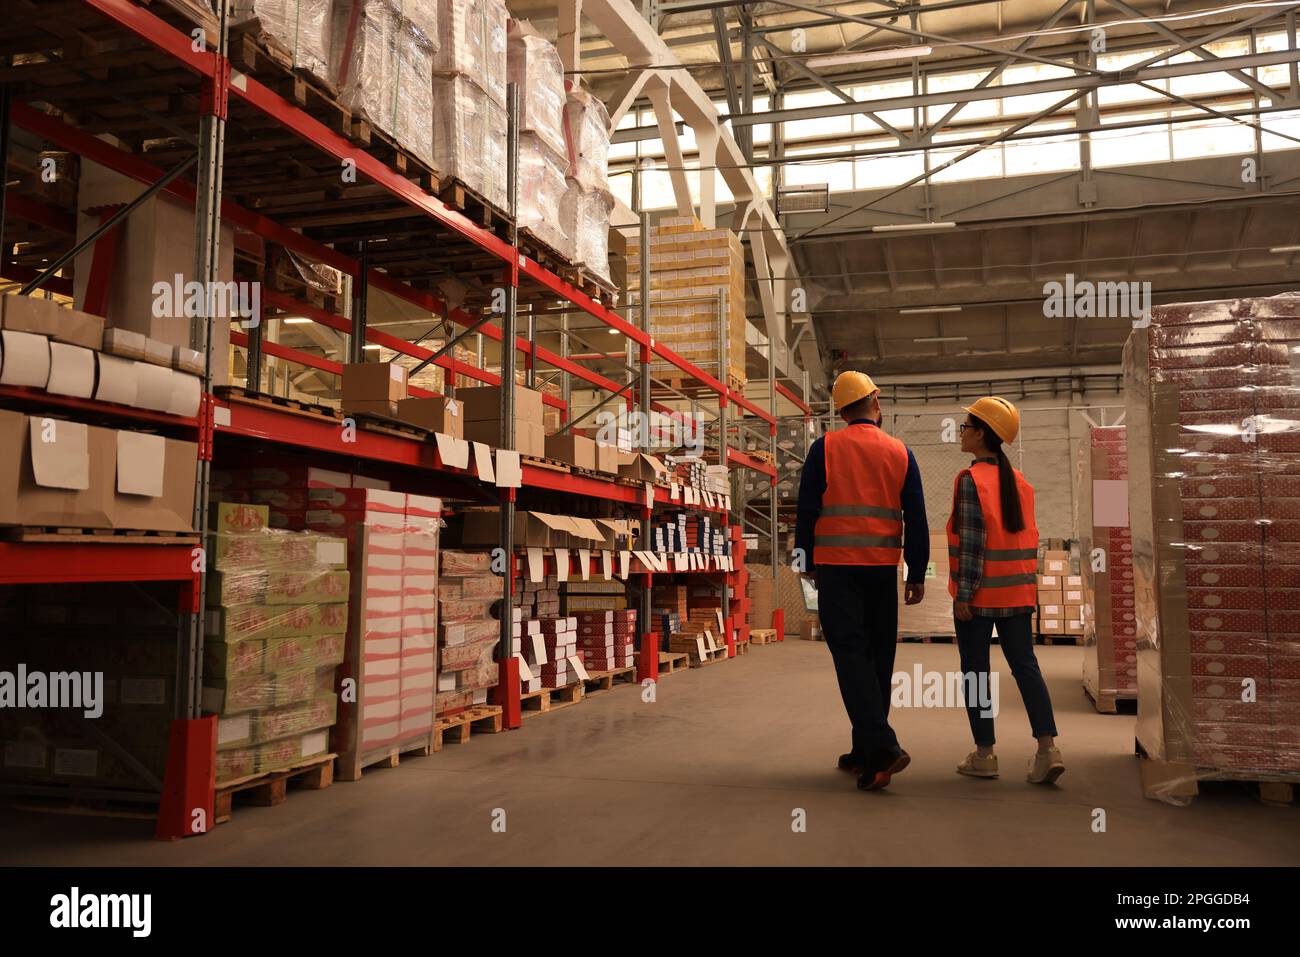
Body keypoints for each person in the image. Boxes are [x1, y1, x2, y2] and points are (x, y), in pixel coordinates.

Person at [796, 371, 929, 791]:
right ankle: (866, 753)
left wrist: (805, 558)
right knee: (877, 657)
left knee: (850, 654)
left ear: (841, 410)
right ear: (875, 402)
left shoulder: (825, 448)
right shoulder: (900, 452)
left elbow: (806, 510)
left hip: (836, 568)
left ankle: (882, 747)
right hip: (881, 569)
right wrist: (917, 570)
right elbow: (917, 517)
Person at [947, 396, 1065, 785]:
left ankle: (985, 755)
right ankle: (1048, 748)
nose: (961, 432)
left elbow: (972, 542)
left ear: (981, 434)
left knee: (976, 673)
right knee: (1026, 667)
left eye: (965, 426)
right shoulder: (1020, 483)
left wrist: (965, 594)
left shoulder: (970, 480)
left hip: (979, 598)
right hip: (1017, 594)